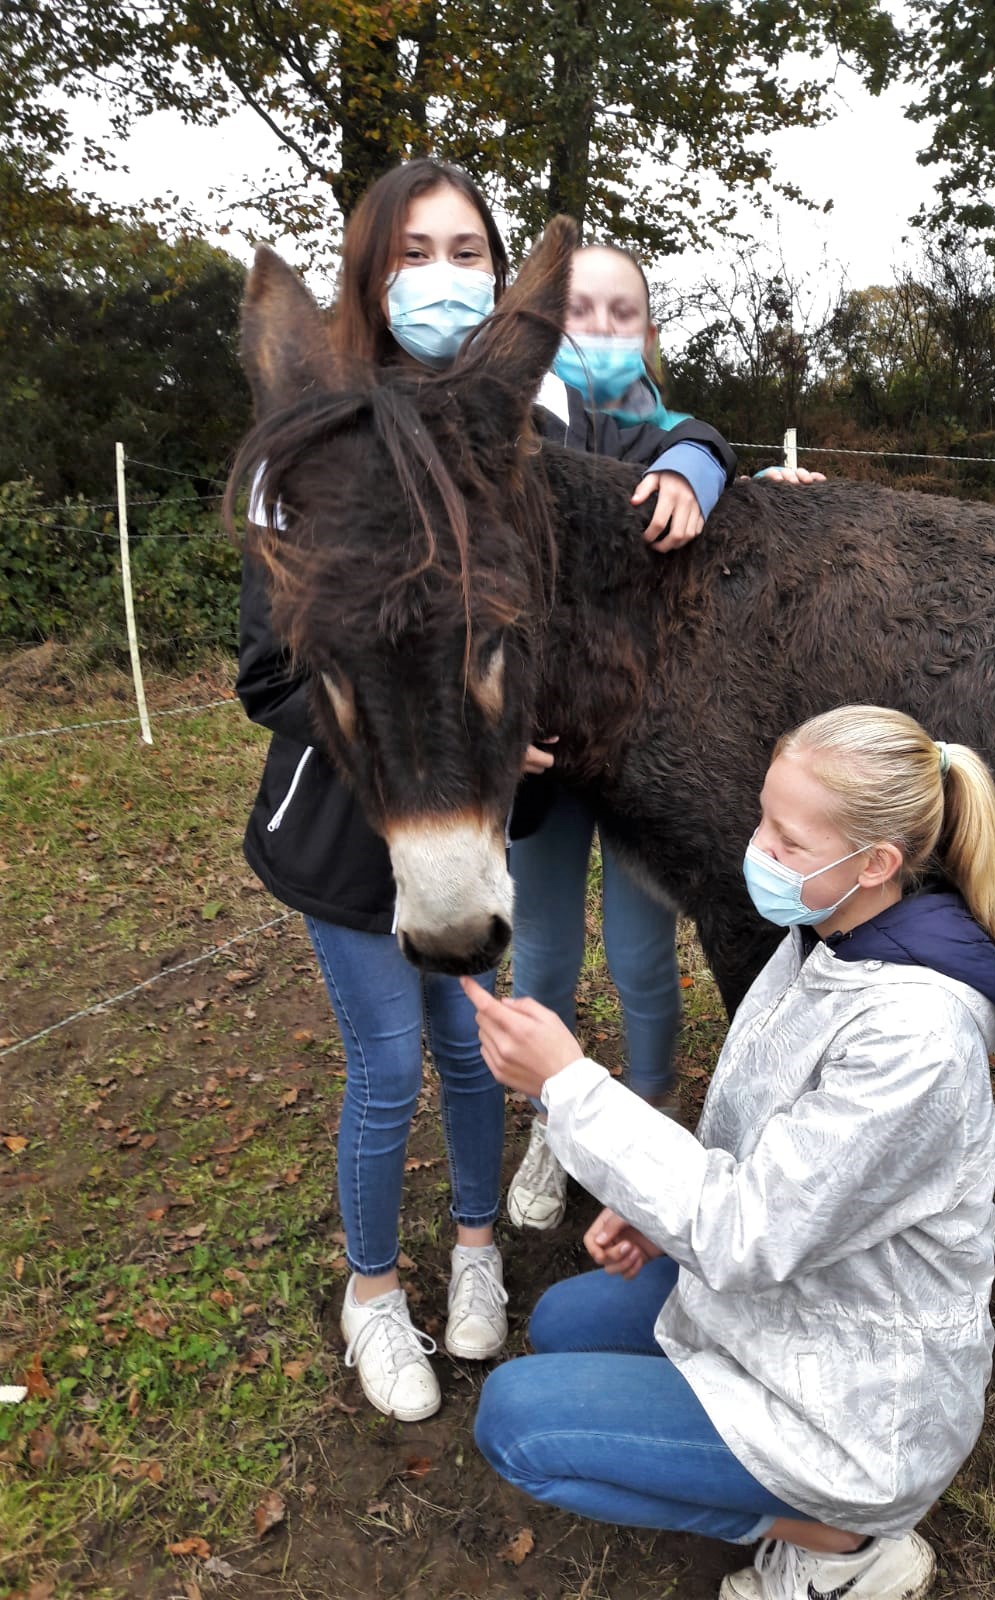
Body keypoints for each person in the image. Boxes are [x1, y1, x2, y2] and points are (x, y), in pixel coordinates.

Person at [236, 158, 743, 1424]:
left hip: (470, 823)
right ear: (368, 270)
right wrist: (426, 735)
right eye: (418, 251)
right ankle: (369, 1292)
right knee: (387, 1065)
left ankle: (471, 1250)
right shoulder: (309, 445)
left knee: (472, 1052)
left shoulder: (515, 420)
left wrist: (715, 465)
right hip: (357, 836)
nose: (447, 277)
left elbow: (652, 435)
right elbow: (269, 672)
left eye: (473, 250)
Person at [463, 705, 995, 1600]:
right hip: (799, 1298)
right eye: (761, 820)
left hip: (860, 1398)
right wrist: (655, 1211)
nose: (759, 850)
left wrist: (570, 1085)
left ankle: (846, 1543)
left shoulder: (915, 1036)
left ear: (877, 862)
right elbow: (755, 1141)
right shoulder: (825, 938)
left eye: (789, 838)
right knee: (563, 1324)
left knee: (517, 1426)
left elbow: (747, 1230)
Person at [505, 241, 825, 1235]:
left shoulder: (666, 439)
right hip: (545, 772)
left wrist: (722, 473)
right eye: (578, 314)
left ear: (646, 332)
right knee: (546, 953)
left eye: (621, 315)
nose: (598, 332)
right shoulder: (500, 445)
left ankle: (650, 1103)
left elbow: (703, 442)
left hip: (649, 764)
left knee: (646, 958)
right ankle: (548, 1121)